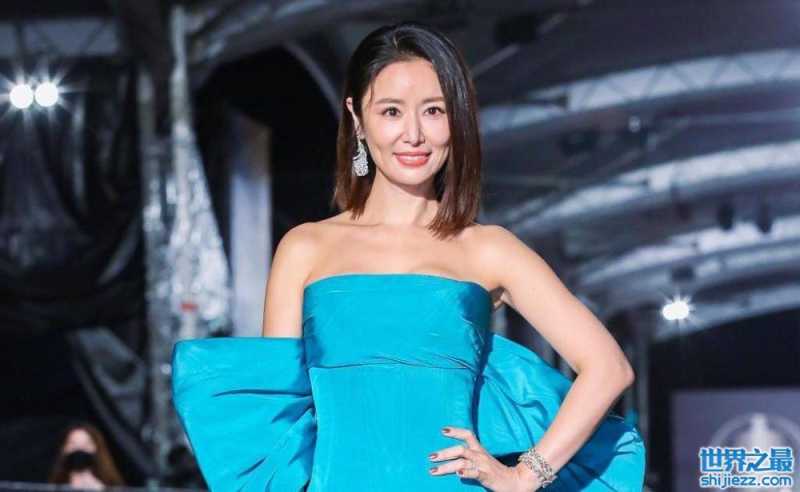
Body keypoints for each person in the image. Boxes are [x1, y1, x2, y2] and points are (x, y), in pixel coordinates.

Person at [171, 21, 646, 491]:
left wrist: (524, 476)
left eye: (434, 111)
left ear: (456, 120)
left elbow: (608, 367)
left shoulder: (488, 248)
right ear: (358, 119)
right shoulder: (305, 248)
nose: (414, 134)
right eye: (392, 111)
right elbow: (279, 418)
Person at [48, 421, 126, 489]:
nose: (79, 449)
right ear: (63, 449)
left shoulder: (112, 484)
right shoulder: (55, 485)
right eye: (73, 444)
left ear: (97, 448)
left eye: (86, 445)